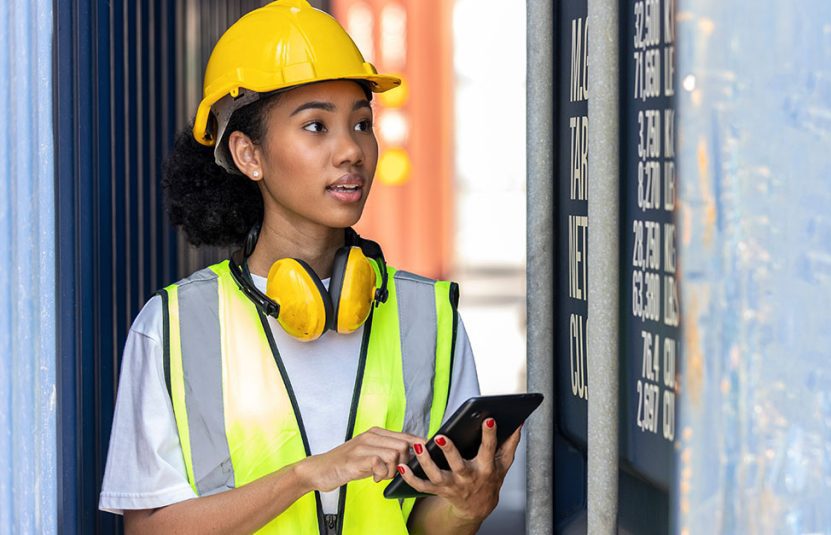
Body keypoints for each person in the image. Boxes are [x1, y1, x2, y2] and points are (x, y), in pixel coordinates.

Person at [98, 1, 519, 533]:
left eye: (361, 123)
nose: (351, 150)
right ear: (249, 155)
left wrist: (469, 503)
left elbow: (425, 524)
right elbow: (147, 530)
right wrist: (305, 475)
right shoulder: (175, 327)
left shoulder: (427, 315)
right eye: (316, 126)